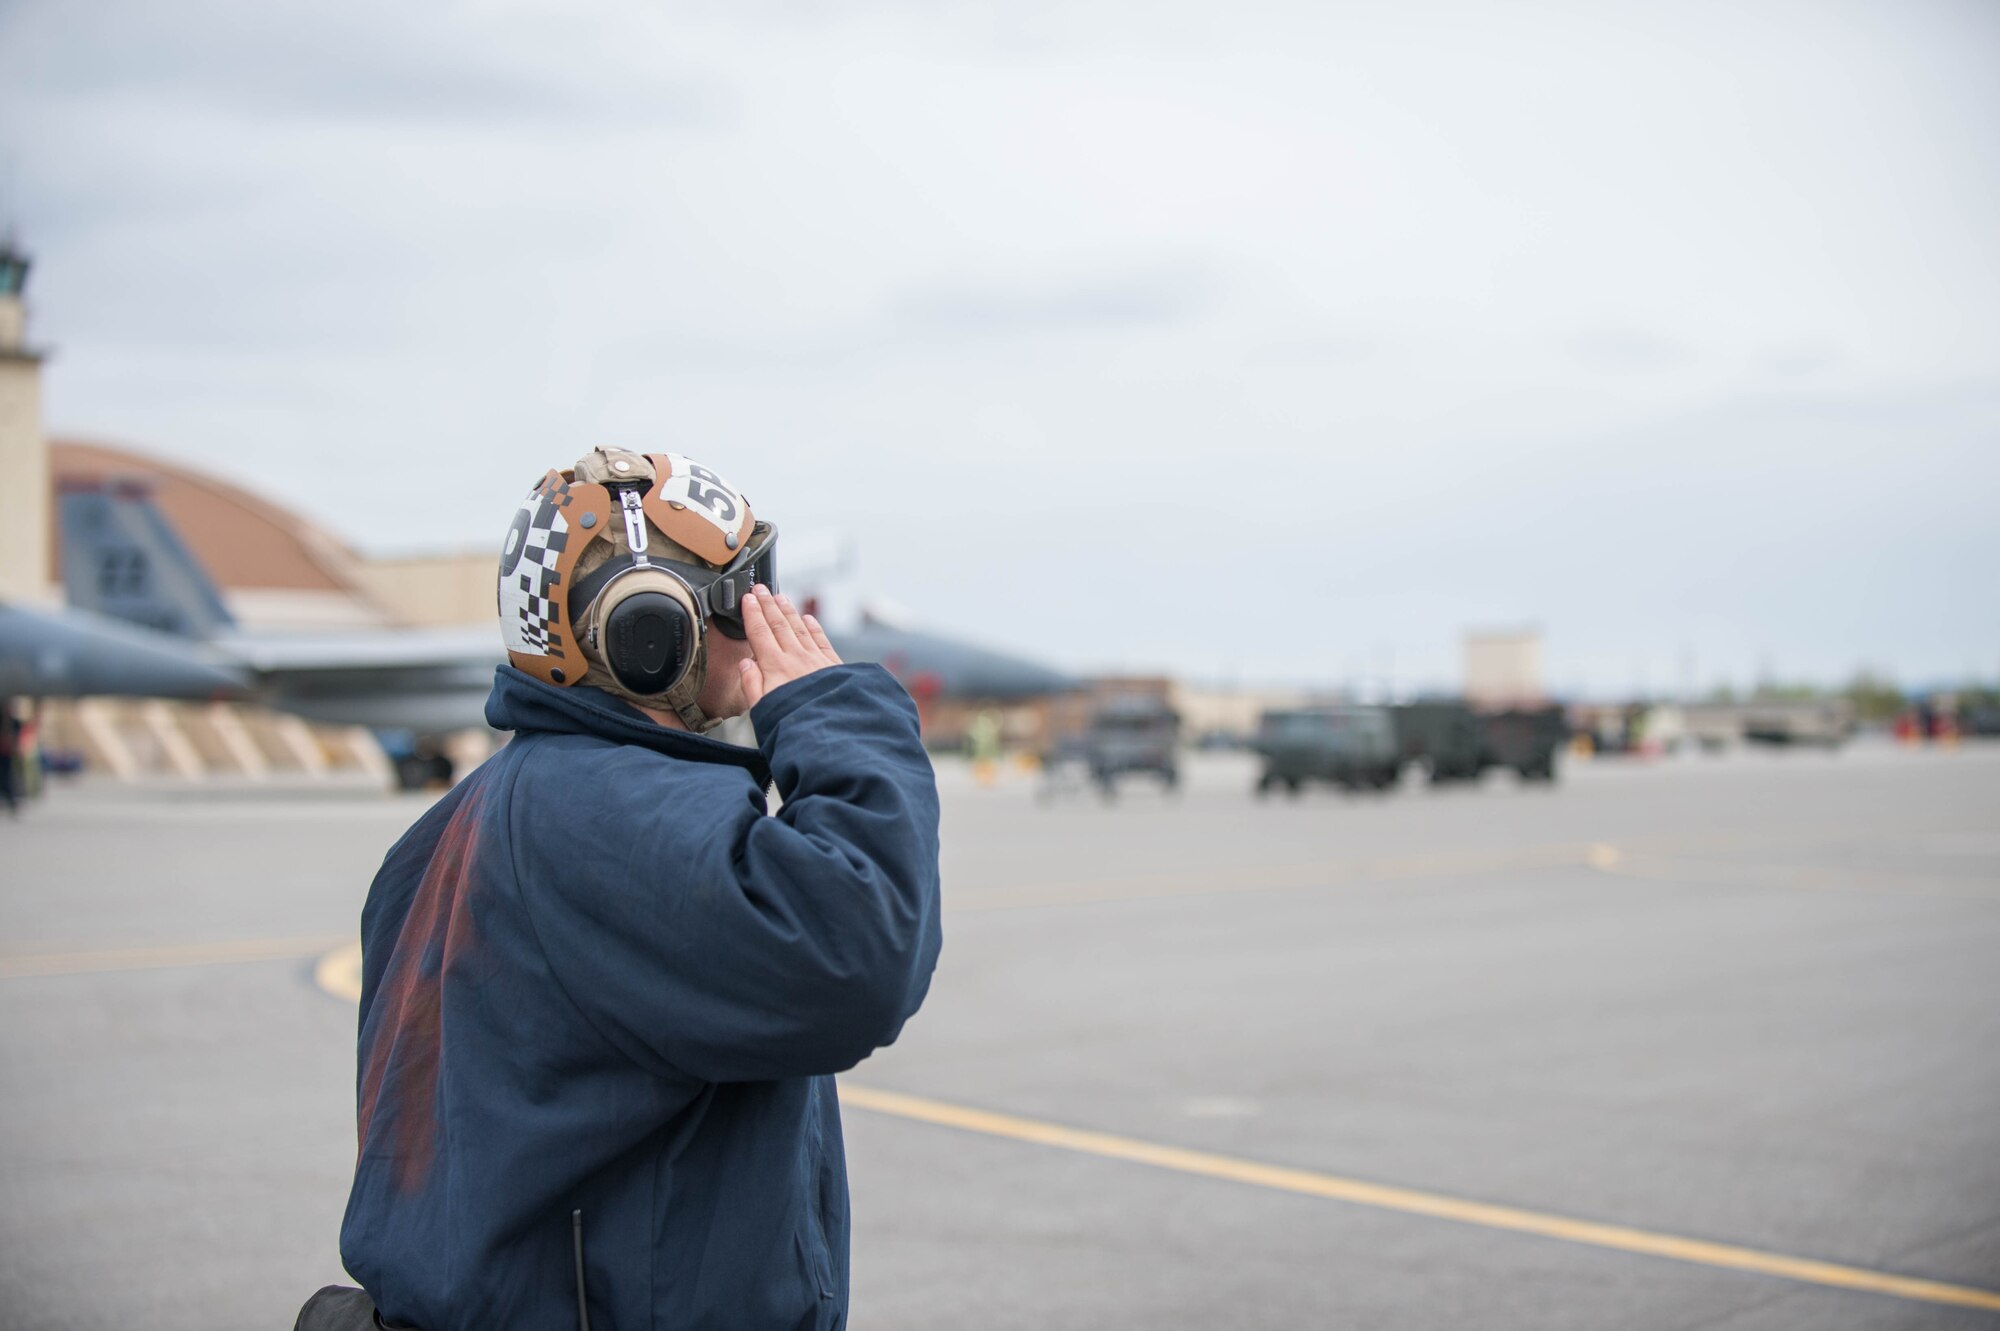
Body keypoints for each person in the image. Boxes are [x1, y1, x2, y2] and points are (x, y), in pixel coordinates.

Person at [306, 448, 942, 1331]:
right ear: (650, 630)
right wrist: (835, 715)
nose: (771, 616)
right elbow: (859, 950)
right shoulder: (605, 815)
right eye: (741, 590)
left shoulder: (460, 823)